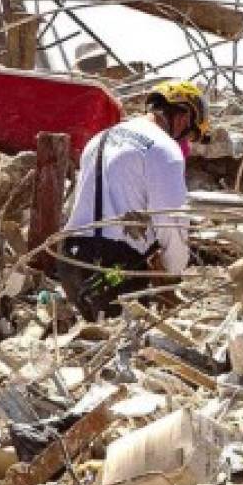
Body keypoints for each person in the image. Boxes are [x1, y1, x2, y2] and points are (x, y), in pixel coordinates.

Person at [58, 79, 209, 320]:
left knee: (86, 346)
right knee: (126, 347)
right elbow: (172, 222)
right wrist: (173, 272)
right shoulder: (163, 149)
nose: (184, 143)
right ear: (183, 117)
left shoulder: (100, 138)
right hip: (113, 269)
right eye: (189, 135)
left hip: (70, 259)